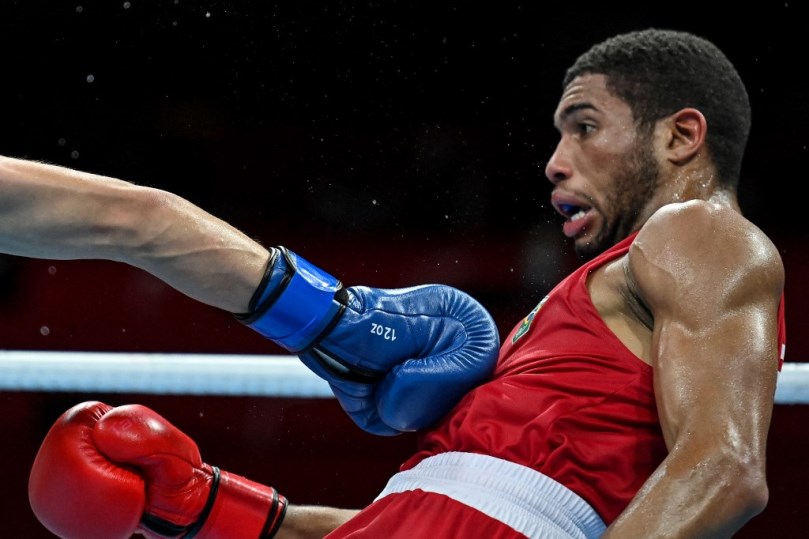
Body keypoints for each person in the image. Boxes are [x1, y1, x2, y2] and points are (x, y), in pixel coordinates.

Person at [24, 27, 787, 538]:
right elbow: (428, 515)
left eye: (582, 126)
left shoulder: (699, 233)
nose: (554, 160)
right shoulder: (581, 304)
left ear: (682, 135)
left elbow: (723, 467)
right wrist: (210, 503)